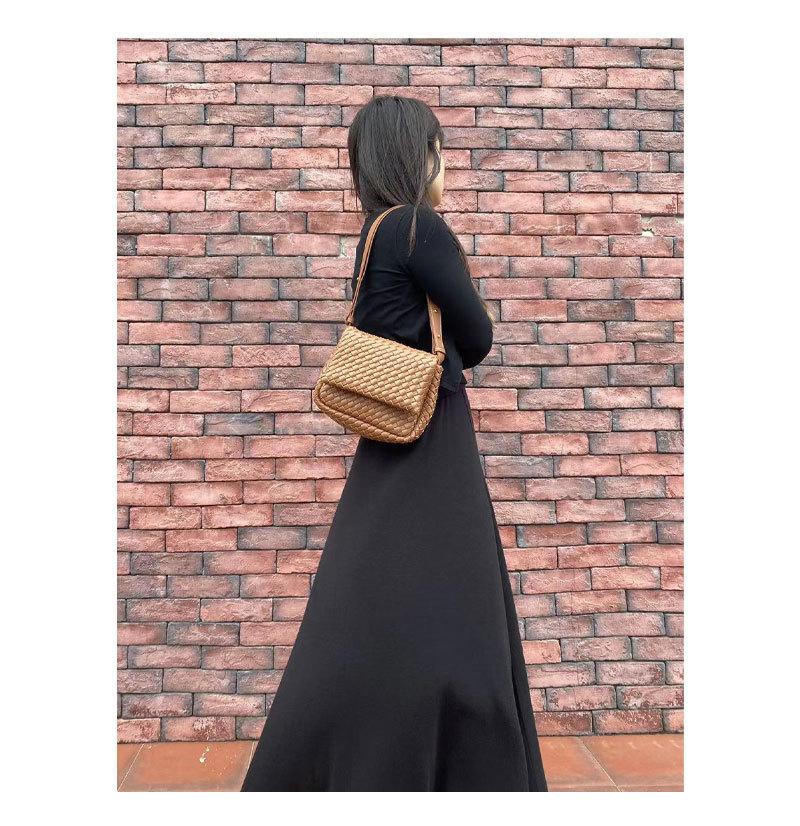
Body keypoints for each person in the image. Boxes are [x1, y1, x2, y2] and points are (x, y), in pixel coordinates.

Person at [240, 95, 549, 792]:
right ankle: (462, 764)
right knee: (460, 609)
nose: (447, 167)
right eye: (439, 151)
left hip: (386, 433)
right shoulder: (418, 227)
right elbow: (478, 338)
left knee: (375, 598)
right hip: (433, 435)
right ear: (416, 156)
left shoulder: (374, 233)